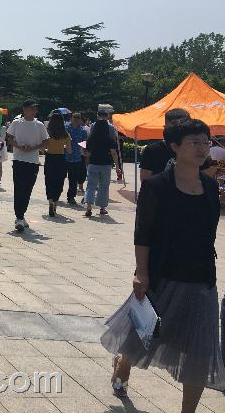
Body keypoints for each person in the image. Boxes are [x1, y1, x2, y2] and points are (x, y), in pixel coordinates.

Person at [102, 119, 224, 409]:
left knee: (200, 349)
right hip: (162, 274)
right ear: (174, 147)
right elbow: (143, 232)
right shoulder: (157, 187)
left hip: (202, 277)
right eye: (194, 142)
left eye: (205, 141)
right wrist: (141, 272)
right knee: (143, 335)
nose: (202, 147)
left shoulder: (209, 186)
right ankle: (123, 365)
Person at [6, 99, 49, 232]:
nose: (34, 110)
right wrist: (18, 146)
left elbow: (46, 141)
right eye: (32, 108)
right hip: (19, 160)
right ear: (24, 109)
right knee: (19, 189)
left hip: (33, 161)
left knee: (27, 190)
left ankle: (21, 215)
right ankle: (18, 217)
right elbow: (9, 137)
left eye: (35, 108)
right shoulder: (17, 123)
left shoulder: (40, 125)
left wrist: (34, 147)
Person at [140, 108, 214, 183]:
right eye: (173, 128)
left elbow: (206, 181)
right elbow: (145, 181)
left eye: (182, 128)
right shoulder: (152, 150)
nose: (177, 132)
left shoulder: (197, 150)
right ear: (165, 128)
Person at [84, 119, 119, 217]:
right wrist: (117, 166)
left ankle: (89, 207)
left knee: (91, 185)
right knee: (104, 186)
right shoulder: (109, 140)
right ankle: (102, 208)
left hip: (93, 164)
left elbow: (85, 151)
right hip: (106, 165)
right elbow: (114, 153)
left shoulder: (90, 139)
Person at [44, 111, 72, 216]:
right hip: (60, 159)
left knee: (49, 181)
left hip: (50, 158)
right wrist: (63, 147)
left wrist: (47, 149)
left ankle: (50, 202)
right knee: (59, 182)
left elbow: (43, 148)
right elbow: (69, 151)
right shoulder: (65, 134)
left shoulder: (47, 133)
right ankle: (55, 204)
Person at [64, 112, 88, 205]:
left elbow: (84, 144)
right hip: (64, 157)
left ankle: (71, 197)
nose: (76, 119)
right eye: (75, 117)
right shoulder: (65, 128)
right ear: (71, 118)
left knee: (73, 179)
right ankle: (56, 195)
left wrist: (85, 155)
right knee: (61, 177)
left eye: (78, 118)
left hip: (76, 158)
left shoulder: (83, 131)